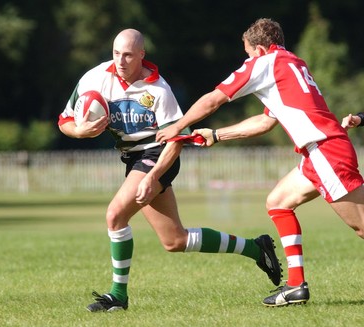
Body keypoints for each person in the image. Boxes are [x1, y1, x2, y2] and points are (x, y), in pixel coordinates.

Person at [58, 28, 282, 312]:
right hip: (132, 159)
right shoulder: (94, 78)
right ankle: (256, 248)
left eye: (128, 55)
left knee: (115, 215)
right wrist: (81, 131)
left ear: (141, 55)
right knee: (175, 240)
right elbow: (65, 120)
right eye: (116, 53)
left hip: (159, 154)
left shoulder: (159, 90)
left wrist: (152, 177)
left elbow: (176, 140)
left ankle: (118, 296)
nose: (121, 61)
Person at [156, 18, 364, 307]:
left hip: (326, 152)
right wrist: (217, 135)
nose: (246, 60)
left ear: (261, 48)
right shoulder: (291, 63)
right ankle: (295, 286)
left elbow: (214, 100)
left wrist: (178, 126)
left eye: (248, 53)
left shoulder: (264, 63)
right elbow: (266, 122)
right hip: (319, 152)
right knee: (278, 202)